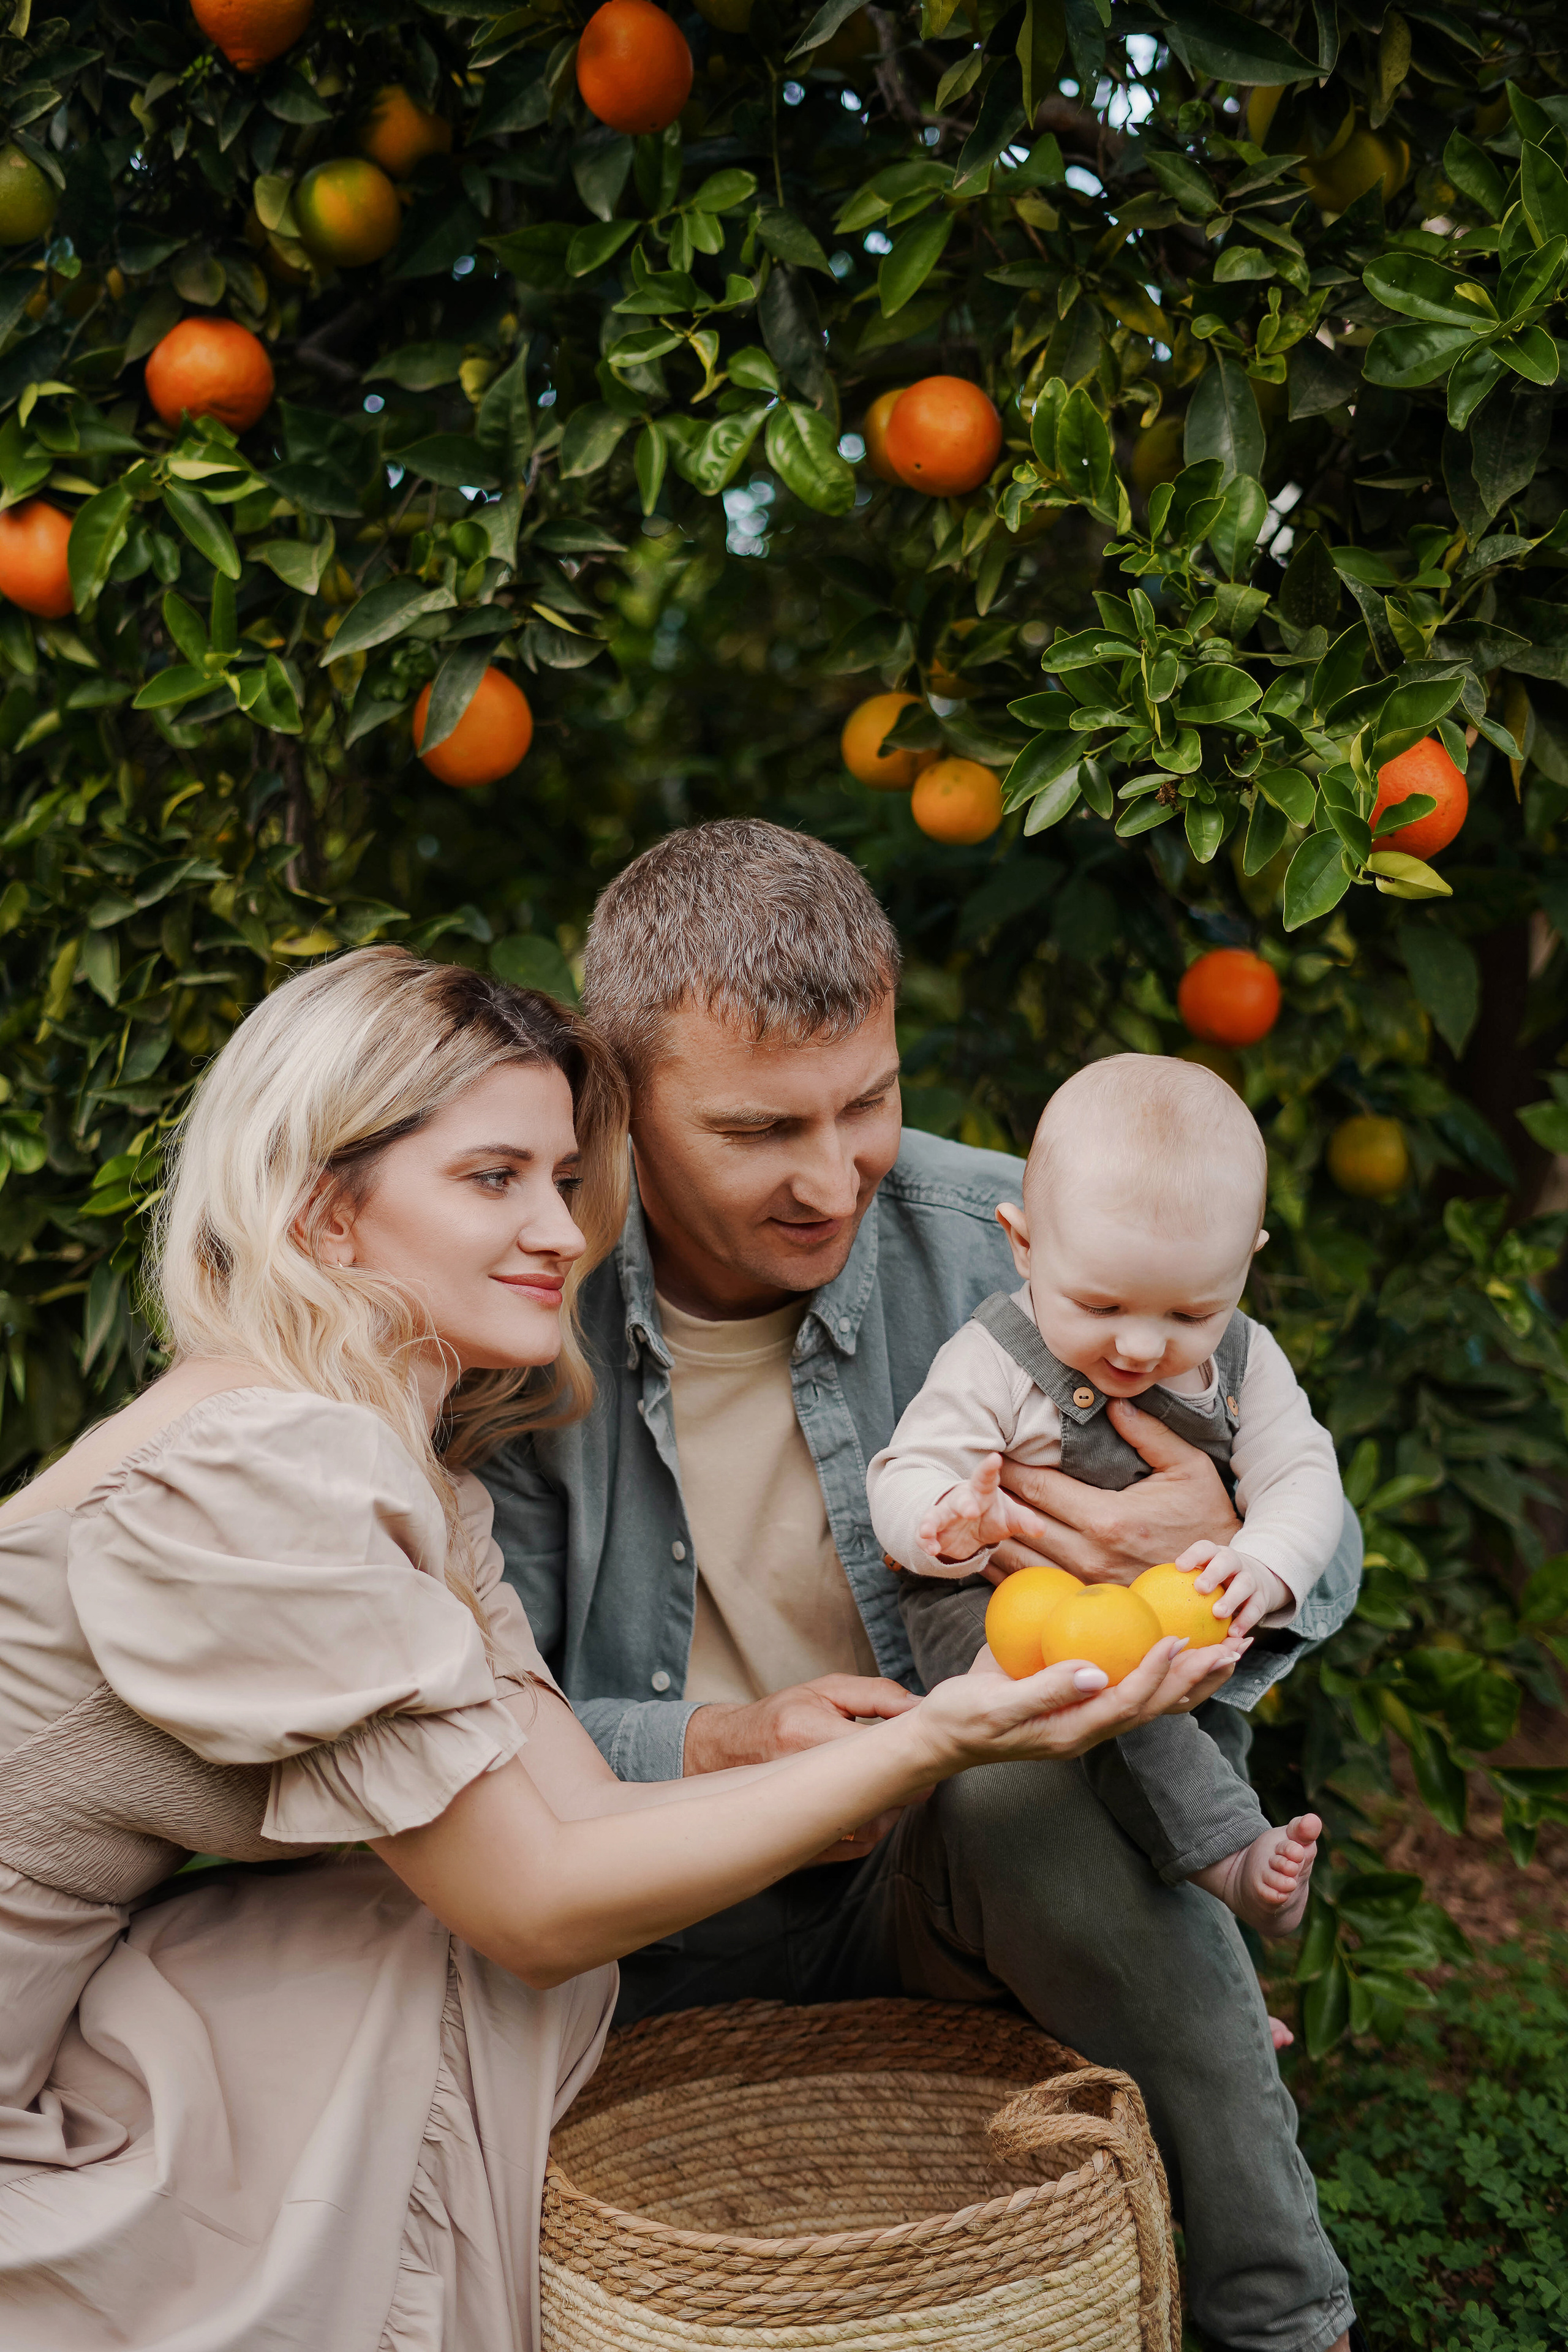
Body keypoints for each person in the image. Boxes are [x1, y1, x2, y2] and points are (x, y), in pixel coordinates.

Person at [0, 944, 1225, 2351]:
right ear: (328, 1216)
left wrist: (903, 1744)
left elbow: (577, 1810)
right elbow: (535, 1902)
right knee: (440, 1949)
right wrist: (943, 1737)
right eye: (488, 1179)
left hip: (71, 2013)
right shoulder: (265, 1464)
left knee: (415, 1943)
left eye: (563, 1181)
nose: (556, 1232)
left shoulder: (397, 1465)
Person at [484, 820, 1365, 2352]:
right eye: (761, 1131)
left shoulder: (1009, 1241)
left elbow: (1318, 1530)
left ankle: (1279, 2325)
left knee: (1016, 1788)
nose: (832, 1177)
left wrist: (1218, 1539)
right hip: (661, 1903)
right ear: (615, 1100)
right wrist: (728, 1745)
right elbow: (495, 1722)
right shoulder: (521, 1314)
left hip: (940, 1873)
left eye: (868, 1102)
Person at [870, 1050, 1349, 1937]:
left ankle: (1222, 1910)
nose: (1137, 1348)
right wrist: (946, 1523)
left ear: (1245, 1264)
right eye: (1099, 1304)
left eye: (1188, 1315)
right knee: (1101, 1711)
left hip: (1155, 1613)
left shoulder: (1247, 1360)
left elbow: (1303, 1475)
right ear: (1022, 1243)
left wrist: (1266, 1562)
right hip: (994, 1608)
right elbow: (905, 1472)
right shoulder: (992, 1356)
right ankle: (1228, 1858)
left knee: (1187, 1702)